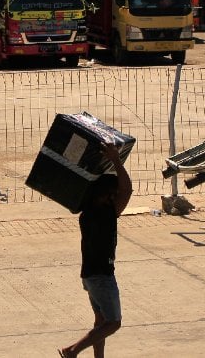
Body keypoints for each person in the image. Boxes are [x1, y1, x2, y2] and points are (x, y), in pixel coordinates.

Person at [58, 142, 133, 358]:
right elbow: (127, 190)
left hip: (89, 274)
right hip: (102, 275)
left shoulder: (87, 213)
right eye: (112, 193)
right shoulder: (106, 214)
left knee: (100, 321)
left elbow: (122, 191)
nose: (115, 195)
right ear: (105, 196)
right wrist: (116, 160)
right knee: (113, 323)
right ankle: (72, 351)